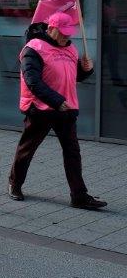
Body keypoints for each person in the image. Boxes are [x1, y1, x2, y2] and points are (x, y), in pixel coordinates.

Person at [8, 12, 107, 210]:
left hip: (66, 109)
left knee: (72, 152)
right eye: (63, 32)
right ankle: (15, 184)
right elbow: (33, 82)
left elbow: (73, 76)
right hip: (41, 108)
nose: (66, 36)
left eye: (69, 32)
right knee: (27, 149)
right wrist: (57, 101)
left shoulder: (71, 48)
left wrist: (86, 69)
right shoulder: (33, 49)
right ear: (51, 28)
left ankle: (79, 196)